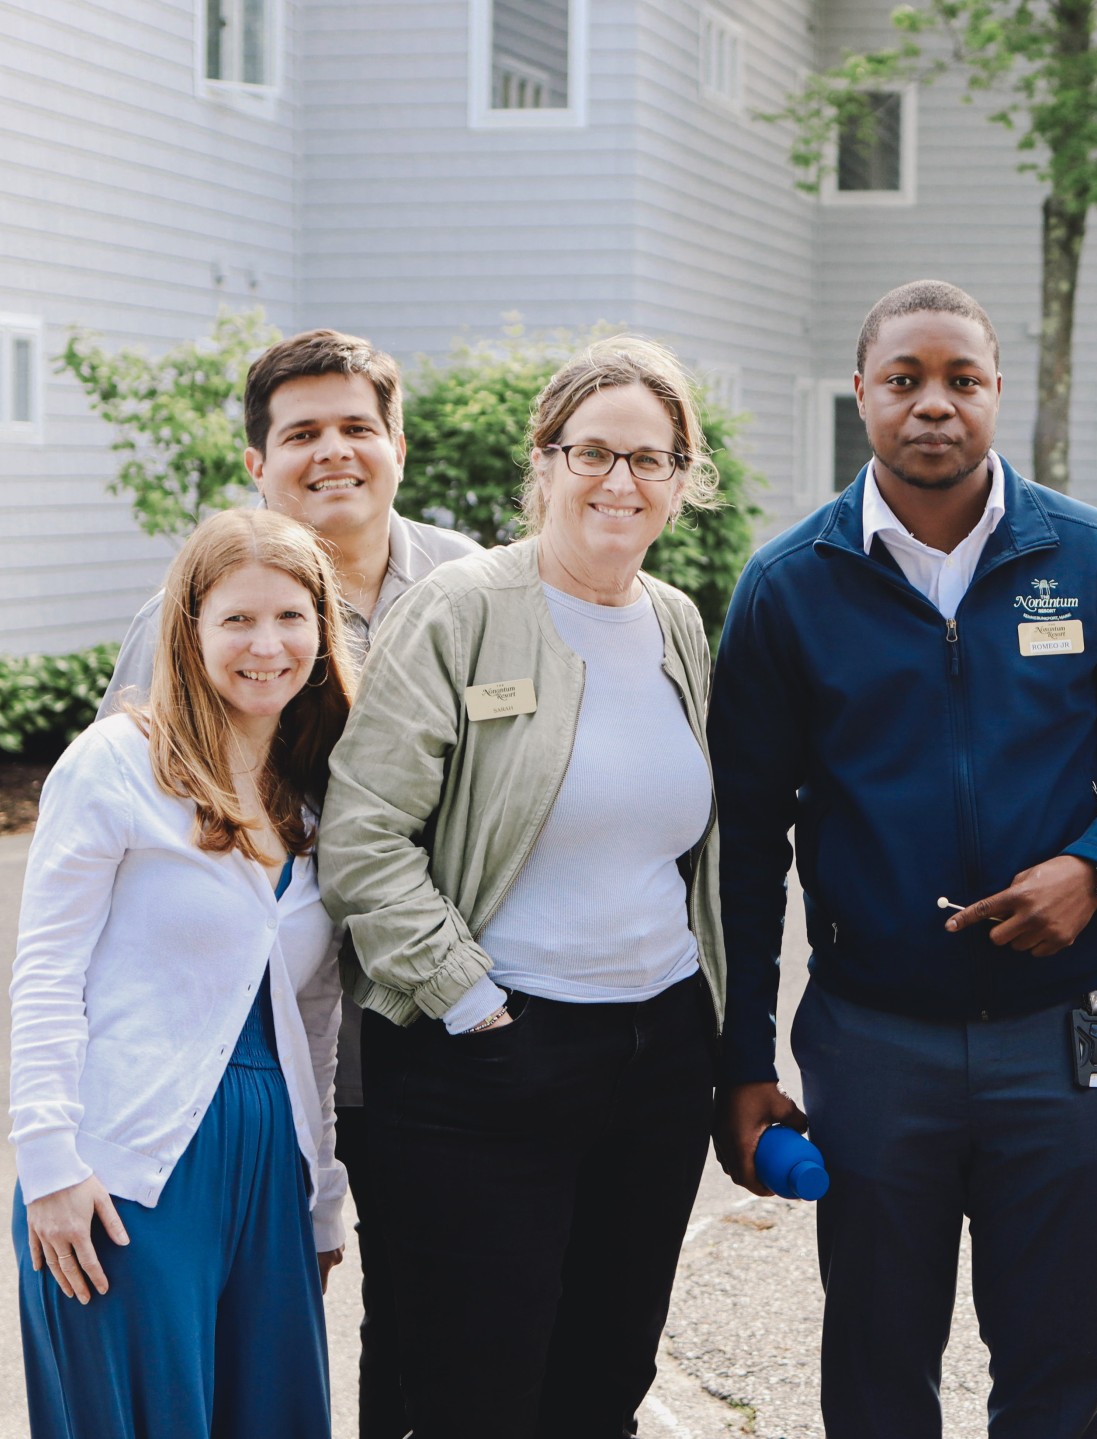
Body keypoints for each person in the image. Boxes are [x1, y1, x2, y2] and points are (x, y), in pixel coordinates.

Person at [710, 279, 1097, 1438]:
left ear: (997, 391)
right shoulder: (789, 587)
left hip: (1062, 1032)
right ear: (862, 393)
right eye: (905, 379)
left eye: (961, 379)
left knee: (1053, 1366)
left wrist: (1096, 865)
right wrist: (739, 1061)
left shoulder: (1090, 557)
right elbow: (744, 842)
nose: (933, 403)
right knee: (877, 1368)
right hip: (873, 1043)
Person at [316, 335, 725, 1439]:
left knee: (603, 1382)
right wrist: (469, 1000)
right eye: (593, 452)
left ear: (681, 480)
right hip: (485, 1057)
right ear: (544, 461)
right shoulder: (461, 609)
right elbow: (362, 835)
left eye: (650, 458)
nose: (619, 481)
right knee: (476, 1395)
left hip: (655, 1058)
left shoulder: (676, 621)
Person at [97, 327, 478, 1439]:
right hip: (252, 1052)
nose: (334, 452)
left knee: (433, 1320)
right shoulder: (188, 616)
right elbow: (115, 854)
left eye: (358, 426)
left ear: (399, 442)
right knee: (254, 1339)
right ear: (257, 461)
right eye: (302, 432)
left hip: (437, 1022)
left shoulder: (472, 586)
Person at [9, 506, 355, 1438]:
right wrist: (48, 1164)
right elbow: (45, 970)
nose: (267, 645)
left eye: (290, 617)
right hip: (126, 1168)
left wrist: (322, 1197)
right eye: (238, 618)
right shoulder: (115, 764)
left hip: (270, 1168)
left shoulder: (314, 794)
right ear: (189, 629)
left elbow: (314, 1017)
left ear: (322, 630)